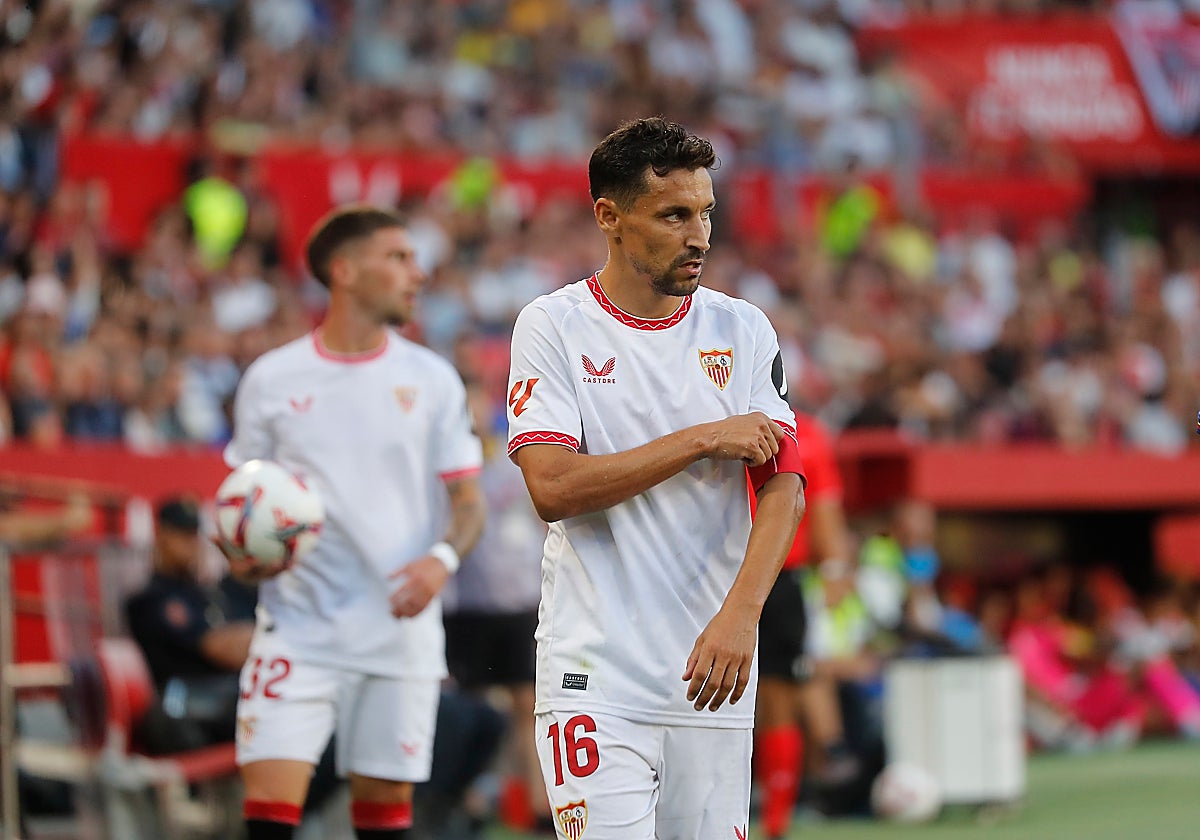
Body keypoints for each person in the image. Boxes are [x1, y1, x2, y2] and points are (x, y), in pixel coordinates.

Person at [506, 117, 806, 840]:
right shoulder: (554, 326)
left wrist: (741, 615)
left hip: (714, 671)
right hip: (594, 671)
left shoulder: (742, 329)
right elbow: (553, 487)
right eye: (673, 215)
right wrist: (702, 437)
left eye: (705, 212)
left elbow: (784, 487)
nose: (699, 233)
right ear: (610, 217)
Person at [221, 205, 486, 840]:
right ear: (344, 271)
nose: (417, 274)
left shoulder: (431, 380)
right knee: (267, 818)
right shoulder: (271, 379)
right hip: (296, 631)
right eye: (398, 258)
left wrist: (441, 561)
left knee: (384, 823)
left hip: (398, 633)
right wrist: (239, 551)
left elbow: (469, 504)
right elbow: (240, 499)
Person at [751, 410, 849, 839]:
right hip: (775, 574)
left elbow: (824, 507)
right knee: (775, 699)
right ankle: (775, 817)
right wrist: (833, 567)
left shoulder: (719, 414)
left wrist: (833, 565)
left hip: (747, 573)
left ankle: (771, 815)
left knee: (766, 698)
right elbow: (825, 506)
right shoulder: (806, 431)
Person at [124, 496, 253, 754]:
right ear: (161, 535)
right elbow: (219, 648)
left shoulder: (209, 592)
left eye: (193, 535)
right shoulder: (151, 598)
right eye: (181, 534)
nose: (190, 544)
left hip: (222, 694)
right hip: (180, 698)